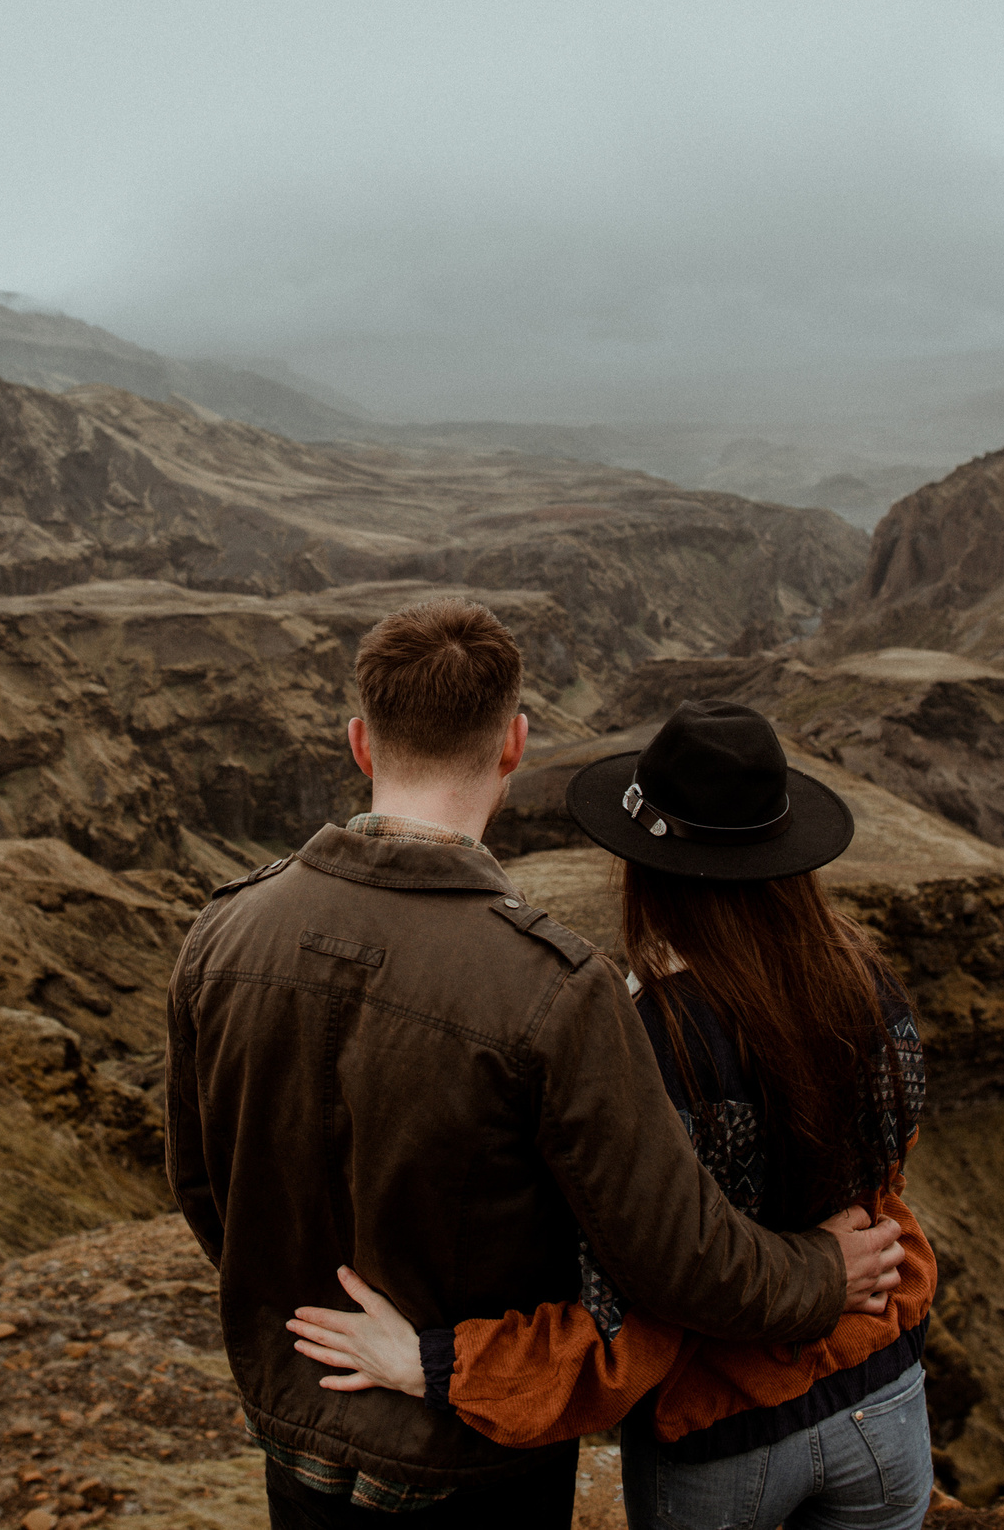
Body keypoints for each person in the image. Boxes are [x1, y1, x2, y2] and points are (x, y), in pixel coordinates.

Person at [166, 603, 908, 1530]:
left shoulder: (221, 931)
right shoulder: (554, 989)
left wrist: (299, 1299)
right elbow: (676, 1260)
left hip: (299, 1419)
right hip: (475, 1461)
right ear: (515, 744)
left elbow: (205, 1186)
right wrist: (823, 1275)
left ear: (360, 742)